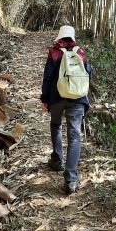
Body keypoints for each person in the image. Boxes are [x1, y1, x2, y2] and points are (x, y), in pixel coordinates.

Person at [40, 25, 91, 194]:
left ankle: (57, 160)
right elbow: (87, 76)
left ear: (60, 37)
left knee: (56, 125)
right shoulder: (80, 53)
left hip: (57, 98)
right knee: (75, 135)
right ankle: (70, 179)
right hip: (77, 98)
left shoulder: (55, 53)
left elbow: (47, 77)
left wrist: (44, 99)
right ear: (73, 38)